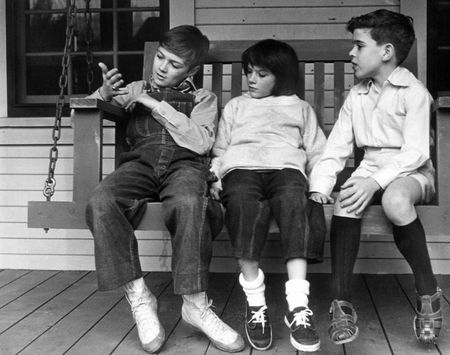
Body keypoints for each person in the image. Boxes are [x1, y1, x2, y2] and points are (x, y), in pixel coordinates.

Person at [85, 25, 244, 354]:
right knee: (102, 199)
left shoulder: (203, 98)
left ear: (192, 71)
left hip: (184, 167)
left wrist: (152, 104)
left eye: (174, 64)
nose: (161, 67)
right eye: (160, 57)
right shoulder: (136, 88)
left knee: (190, 202)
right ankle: (140, 298)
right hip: (139, 166)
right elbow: (90, 106)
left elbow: (200, 142)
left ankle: (195, 304)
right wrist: (103, 94)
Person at [312, 9, 442, 345]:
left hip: (411, 171)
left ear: (386, 52)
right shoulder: (356, 95)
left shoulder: (413, 93)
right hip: (369, 167)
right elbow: (336, 149)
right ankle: (340, 303)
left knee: (396, 200)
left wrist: (375, 182)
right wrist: (321, 188)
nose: (351, 53)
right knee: (346, 199)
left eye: (358, 45)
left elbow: (415, 152)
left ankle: (428, 293)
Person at [210, 39, 327, 352]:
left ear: (281, 75)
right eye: (249, 72)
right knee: (243, 204)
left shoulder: (300, 107)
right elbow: (221, 149)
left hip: (287, 169)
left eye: (261, 74)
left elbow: (317, 151)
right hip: (241, 169)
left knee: (294, 200)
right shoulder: (236, 106)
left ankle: (298, 307)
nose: (251, 79)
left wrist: (320, 187)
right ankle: (255, 303)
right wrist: (215, 176)